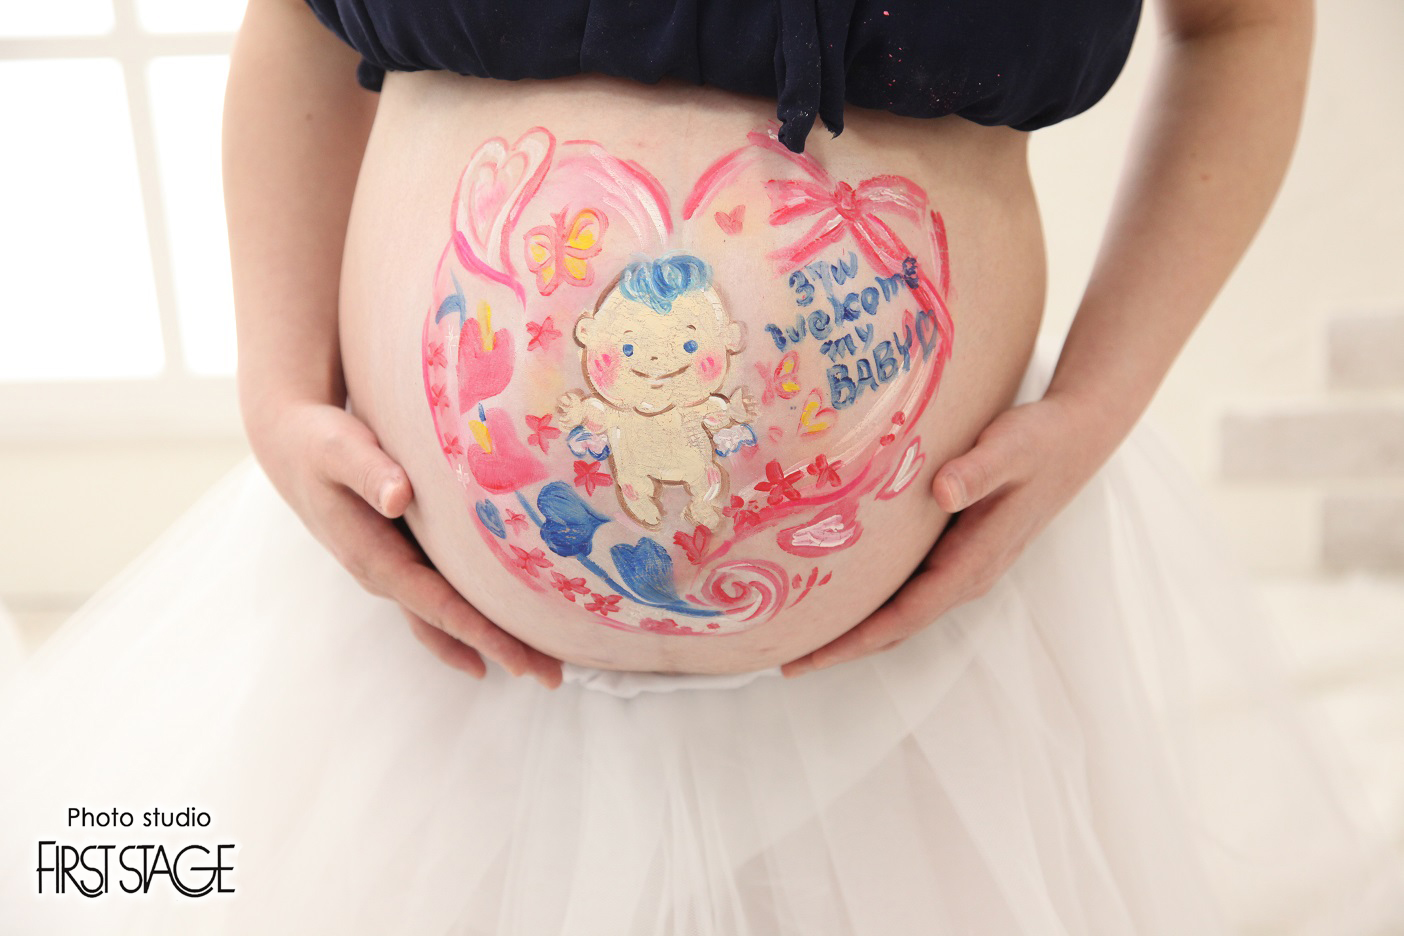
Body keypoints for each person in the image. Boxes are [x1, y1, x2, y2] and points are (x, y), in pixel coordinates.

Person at [1, 0, 1402, 932]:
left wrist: (1097, 404)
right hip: (427, 679)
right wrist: (273, 390)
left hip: (922, 698)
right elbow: (297, 17)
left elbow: (1245, 22)